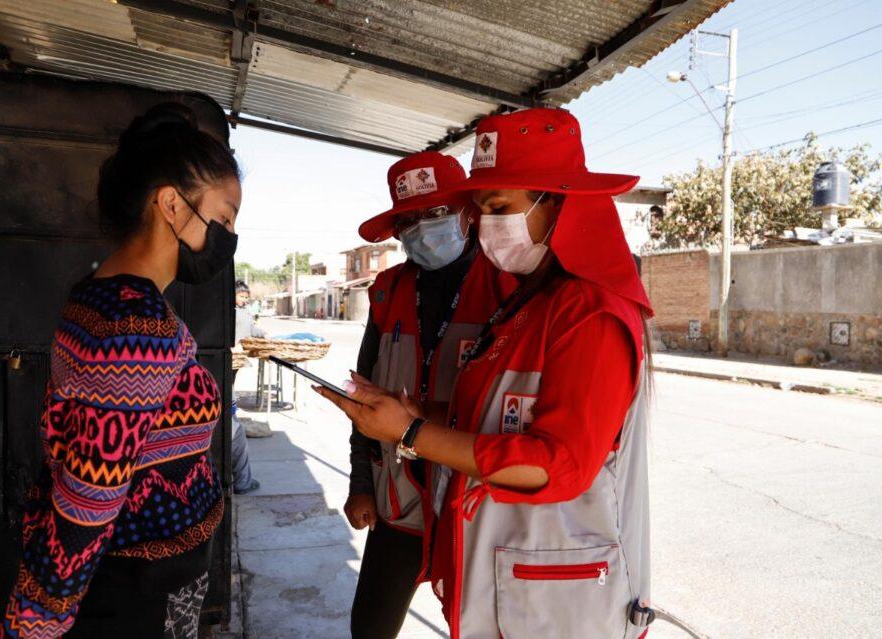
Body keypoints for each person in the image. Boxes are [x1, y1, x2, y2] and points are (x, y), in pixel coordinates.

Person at [317, 108, 655, 639]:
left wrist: (409, 432)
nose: (487, 225)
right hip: (477, 540)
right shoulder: (529, 302)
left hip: (553, 582)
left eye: (499, 206)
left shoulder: (591, 314)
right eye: (482, 209)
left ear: (560, 200)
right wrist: (413, 414)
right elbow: (495, 414)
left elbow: (557, 464)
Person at [0, 103, 241, 639]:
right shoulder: (135, 325)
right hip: (138, 597)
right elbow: (88, 499)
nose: (227, 235)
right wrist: (31, 626)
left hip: (149, 585)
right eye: (224, 217)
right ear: (172, 205)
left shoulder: (104, 296)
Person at [346, 151, 512, 639]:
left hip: (472, 510)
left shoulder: (507, 287)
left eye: (435, 213)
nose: (423, 229)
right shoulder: (387, 292)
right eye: (410, 221)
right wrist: (360, 483)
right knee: (370, 629)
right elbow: (363, 397)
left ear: (466, 211)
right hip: (396, 507)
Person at [231, 280, 260, 494]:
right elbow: (249, 330)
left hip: (234, 359)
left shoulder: (243, 312)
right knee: (235, 431)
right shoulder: (236, 313)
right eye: (241, 296)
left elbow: (252, 329)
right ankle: (242, 481)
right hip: (230, 358)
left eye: (245, 297)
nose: (244, 300)